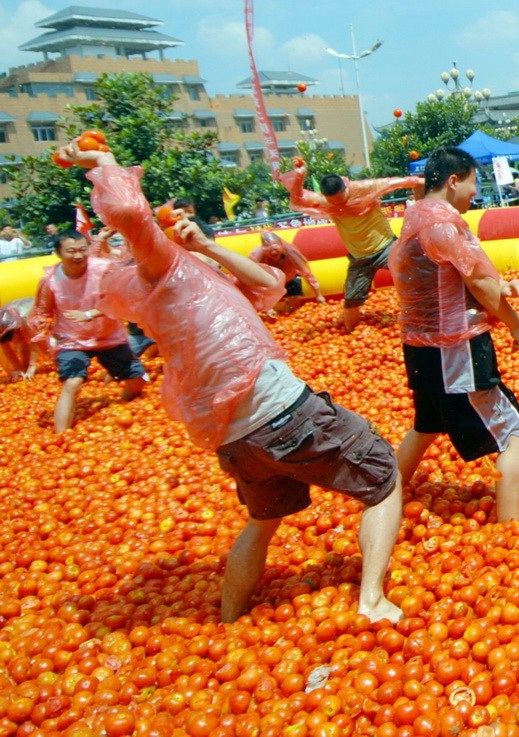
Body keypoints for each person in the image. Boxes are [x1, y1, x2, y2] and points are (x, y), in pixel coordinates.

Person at [62, 140, 405, 624]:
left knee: (262, 521)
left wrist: (203, 245)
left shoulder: (181, 278)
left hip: (236, 439)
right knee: (383, 474)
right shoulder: (165, 270)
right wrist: (103, 163)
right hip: (282, 412)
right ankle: (371, 600)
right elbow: (129, 212)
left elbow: (269, 286)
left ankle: (229, 617)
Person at [390, 147, 519, 524]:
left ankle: (384, 495)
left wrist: (502, 284)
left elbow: (447, 278)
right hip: (454, 347)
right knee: (515, 433)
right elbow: (477, 283)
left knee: (426, 424)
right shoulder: (443, 223)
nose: (476, 191)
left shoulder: (415, 216)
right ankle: (511, 528)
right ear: (454, 180)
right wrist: (517, 326)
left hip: (420, 345)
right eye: (474, 181)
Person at [27, 230, 148, 433]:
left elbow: (119, 299)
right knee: (72, 383)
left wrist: (90, 314)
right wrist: (43, 328)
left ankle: (124, 404)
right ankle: (61, 435)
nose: (78, 256)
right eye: (71, 251)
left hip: (108, 335)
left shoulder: (104, 270)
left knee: (137, 381)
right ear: (58, 253)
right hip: (72, 341)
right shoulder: (50, 280)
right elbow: (42, 312)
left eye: (82, 250)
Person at [281, 163, 422, 332]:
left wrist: (427, 182)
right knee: (352, 299)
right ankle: (350, 331)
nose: (339, 204)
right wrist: (299, 175)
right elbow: (298, 198)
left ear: (345, 188)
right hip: (359, 257)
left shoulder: (362, 188)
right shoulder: (323, 201)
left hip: (386, 246)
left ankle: (423, 317)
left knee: (416, 276)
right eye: (333, 201)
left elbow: (398, 182)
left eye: (341, 198)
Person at [250, 231, 326, 314]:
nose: (273, 253)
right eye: (269, 251)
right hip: (270, 283)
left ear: (281, 245)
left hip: (290, 278)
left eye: (276, 250)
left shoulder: (291, 252)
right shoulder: (257, 256)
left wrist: (318, 295)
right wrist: (266, 308)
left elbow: (307, 273)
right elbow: (253, 280)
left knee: (293, 308)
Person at [0, 298, 37, 381]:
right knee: (22, 344)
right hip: (18, 322)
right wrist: (18, 369)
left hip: (35, 314)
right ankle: (24, 367)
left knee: (45, 344)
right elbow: (7, 350)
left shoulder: (25, 320)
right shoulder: (1, 327)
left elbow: (34, 342)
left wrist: (32, 366)